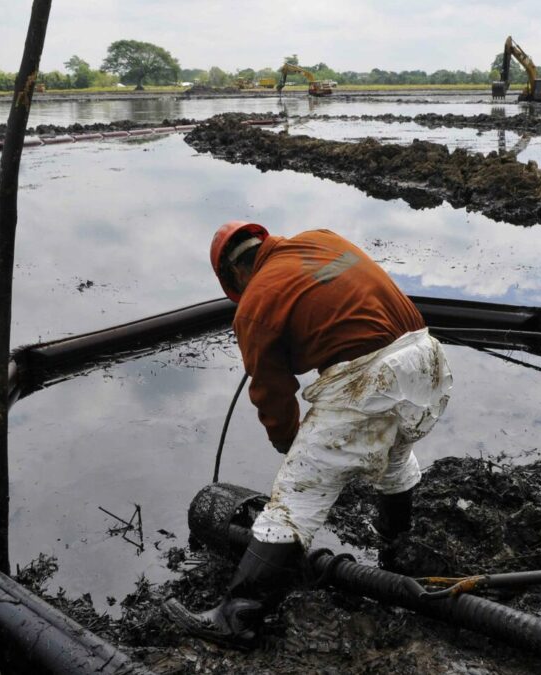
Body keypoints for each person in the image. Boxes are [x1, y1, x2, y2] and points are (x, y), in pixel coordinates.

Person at [164, 221, 452, 648]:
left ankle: (237, 618)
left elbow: (272, 395)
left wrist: (291, 445)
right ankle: (396, 551)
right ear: (261, 242)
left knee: (295, 499)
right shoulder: (321, 239)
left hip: (371, 378)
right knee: (394, 454)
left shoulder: (256, 304)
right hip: (428, 361)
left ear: (234, 275)